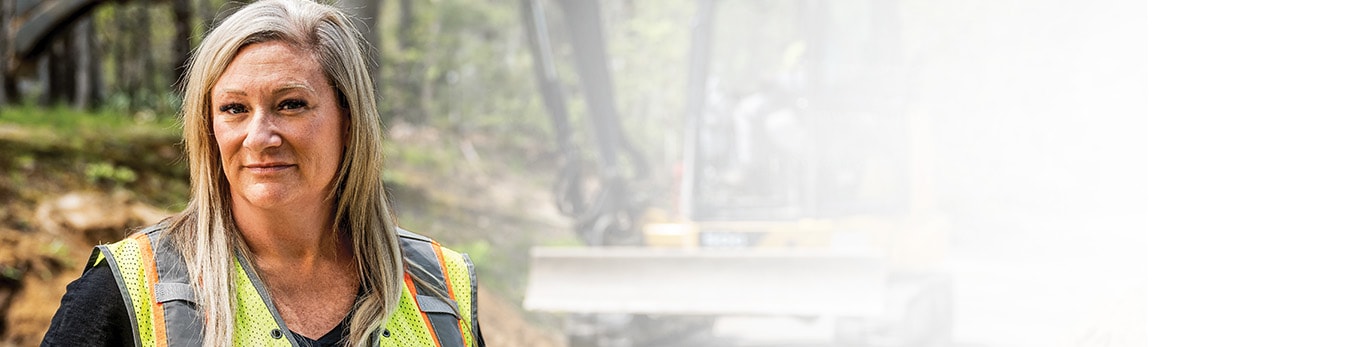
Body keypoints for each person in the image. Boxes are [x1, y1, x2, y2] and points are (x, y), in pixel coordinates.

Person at [40, 0, 484, 346]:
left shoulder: (443, 286)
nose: (258, 137)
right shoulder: (128, 288)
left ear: (349, 121)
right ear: (208, 127)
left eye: (291, 104)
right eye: (234, 108)